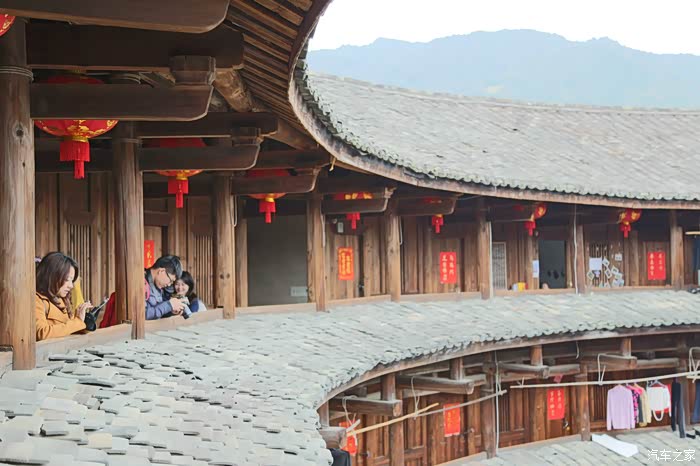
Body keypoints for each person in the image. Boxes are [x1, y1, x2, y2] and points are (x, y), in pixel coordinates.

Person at [35, 252, 92, 341]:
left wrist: (83, 320)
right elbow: (42, 333)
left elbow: (68, 328)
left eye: (72, 281)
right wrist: (77, 322)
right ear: (52, 276)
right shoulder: (36, 299)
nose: (71, 286)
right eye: (67, 279)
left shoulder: (61, 300)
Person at [145, 255, 184, 320]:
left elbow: (156, 312)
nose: (169, 285)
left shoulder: (158, 286)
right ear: (162, 271)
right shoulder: (140, 282)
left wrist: (171, 310)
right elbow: (142, 315)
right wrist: (168, 305)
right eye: (170, 281)